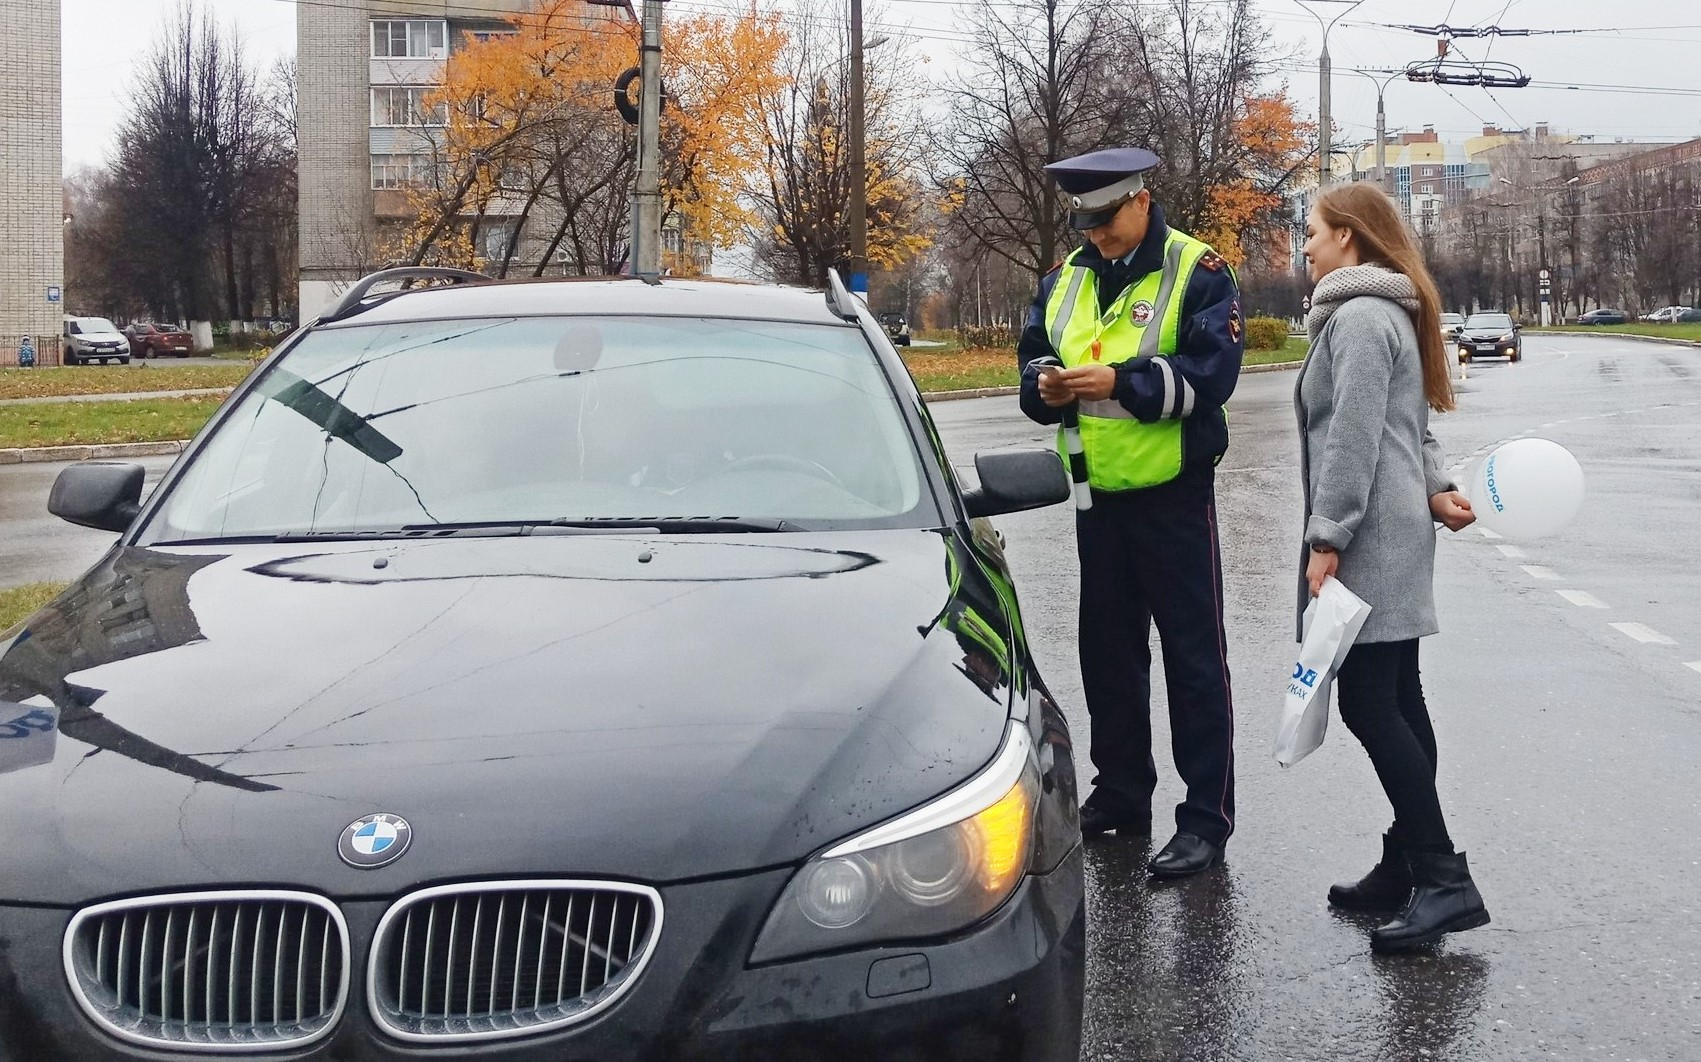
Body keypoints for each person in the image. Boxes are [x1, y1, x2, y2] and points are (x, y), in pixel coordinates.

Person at [1017, 147, 1244, 879]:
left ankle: (1205, 819)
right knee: (1107, 657)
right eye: (1083, 222)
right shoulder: (1064, 277)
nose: (1095, 235)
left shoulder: (1197, 270)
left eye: (1106, 219)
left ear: (1140, 201)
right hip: (1096, 499)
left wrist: (1124, 380)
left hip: (1173, 495)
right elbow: (1029, 357)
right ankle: (1119, 795)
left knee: (1193, 661)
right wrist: (1042, 386)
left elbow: (1213, 378)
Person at [1297, 181, 1490, 951]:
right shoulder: (1384, 313)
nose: (1303, 244)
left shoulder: (1360, 318)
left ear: (1347, 236)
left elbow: (1351, 437)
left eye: (1311, 231)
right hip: (1393, 524)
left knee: (1370, 705)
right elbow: (1406, 428)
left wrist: (1326, 534)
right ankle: (1406, 862)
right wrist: (1438, 487)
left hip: (1371, 533)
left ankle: (1443, 879)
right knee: (1399, 699)